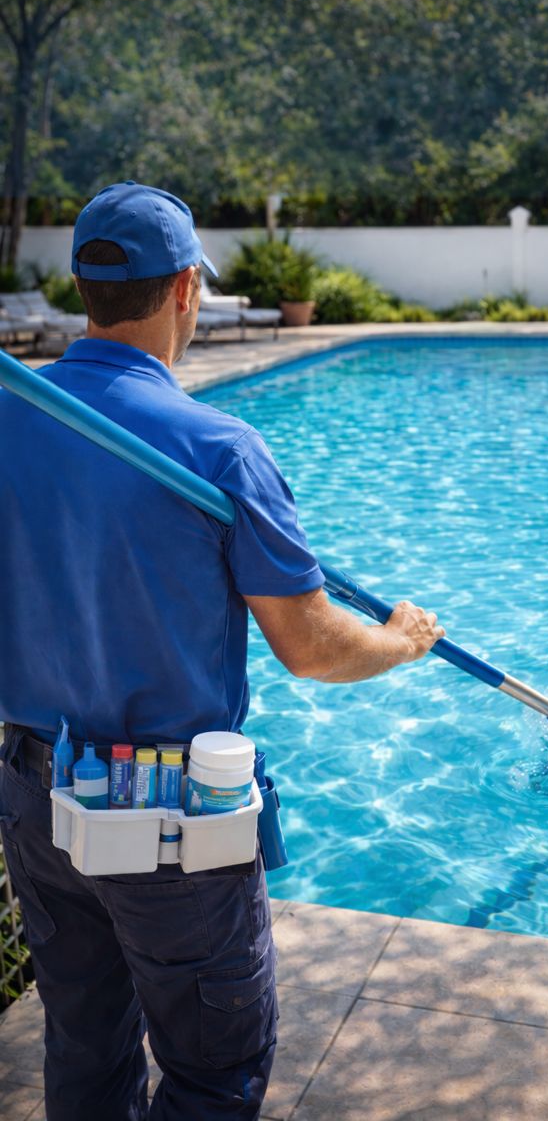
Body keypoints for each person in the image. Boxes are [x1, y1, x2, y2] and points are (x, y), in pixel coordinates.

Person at [0, 181, 445, 1121]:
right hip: (167, 820)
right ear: (185, 292)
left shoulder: (14, 422)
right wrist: (400, 642)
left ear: (85, 289)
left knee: (85, 1049)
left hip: (35, 795)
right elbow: (313, 649)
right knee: (212, 1076)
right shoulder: (218, 450)